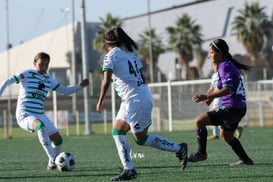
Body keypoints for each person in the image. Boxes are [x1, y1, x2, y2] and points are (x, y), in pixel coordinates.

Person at [96, 27, 188, 181]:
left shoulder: (110, 56)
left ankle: (177, 149)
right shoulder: (130, 53)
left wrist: (99, 101)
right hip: (137, 96)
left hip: (134, 100)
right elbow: (142, 76)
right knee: (124, 134)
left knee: (135, 137)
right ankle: (131, 168)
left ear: (107, 44)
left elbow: (106, 81)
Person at [0, 52, 89, 170]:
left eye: (46, 65)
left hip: (39, 114)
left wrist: (79, 86)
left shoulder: (48, 79)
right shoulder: (27, 74)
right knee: (40, 126)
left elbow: (65, 90)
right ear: (34, 63)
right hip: (24, 114)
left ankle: (51, 164)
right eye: (41, 64)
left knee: (58, 140)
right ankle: (53, 158)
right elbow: (7, 81)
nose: (43, 67)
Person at [189, 39, 253, 166]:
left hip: (231, 108)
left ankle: (201, 153)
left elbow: (227, 89)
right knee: (226, 136)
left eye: (211, 53)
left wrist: (206, 96)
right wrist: (210, 98)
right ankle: (246, 160)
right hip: (239, 108)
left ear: (220, 53)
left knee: (199, 121)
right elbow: (218, 85)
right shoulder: (225, 65)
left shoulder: (225, 66)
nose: (209, 56)